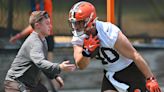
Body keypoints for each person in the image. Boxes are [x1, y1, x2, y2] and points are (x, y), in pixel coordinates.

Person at [68, 1, 161, 92]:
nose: (76, 27)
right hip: (110, 74)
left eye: (80, 22)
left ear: (90, 20)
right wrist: (86, 52)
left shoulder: (108, 32)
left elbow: (134, 55)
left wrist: (150, 78)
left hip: (130, 71)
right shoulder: (78, 38)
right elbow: (81, 65)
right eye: (74, 23)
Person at [4, 11, 76, 92]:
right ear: (38, 26)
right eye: (47, 23)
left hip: (28, 84)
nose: (50, 26)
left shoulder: (43, 40)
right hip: (15, 84)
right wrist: (59, 67)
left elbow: (42, 65)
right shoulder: (35, 42)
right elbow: (40, 62)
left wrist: (54, 76)